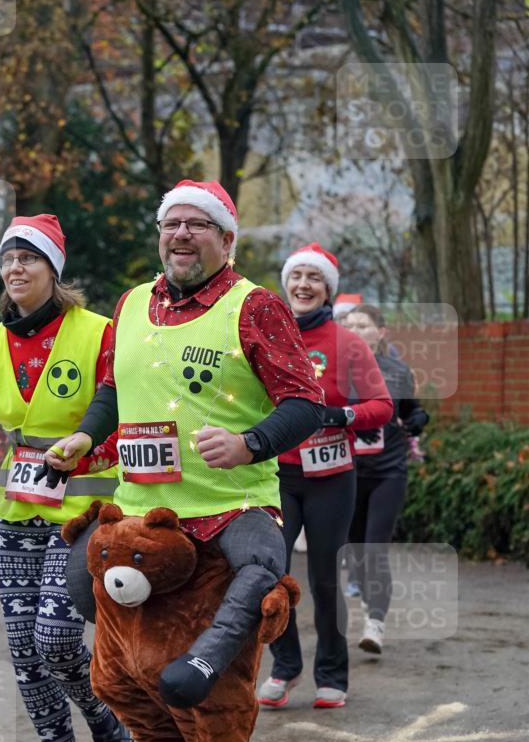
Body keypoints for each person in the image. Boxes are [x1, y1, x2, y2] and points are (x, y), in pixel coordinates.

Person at [44, 180, 326, 709]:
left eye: (197, 224)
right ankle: (150, 683)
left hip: (230, 504)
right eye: (171, 224)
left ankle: (203, 664)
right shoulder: (130, 303)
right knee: (81, 581)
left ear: (226, 239)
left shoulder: (256, 306)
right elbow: (113, 389)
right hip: (140, 507)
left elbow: (307, 403)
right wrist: (85, 435)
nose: (181, 234)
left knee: (262, 565)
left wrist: (249, 443)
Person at [0, 213, 135, 742]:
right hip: (18, 513)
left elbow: (125, 417)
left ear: (53, 269)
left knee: (55, 637)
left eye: (28, 257)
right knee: (25, 654)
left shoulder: (100, 333)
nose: (15, 268)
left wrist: (82, 453)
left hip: (86, 512)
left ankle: (107, 725)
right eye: (7, 259)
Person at [257, 244, 393, 710]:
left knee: (325, 579)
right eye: (297, 276)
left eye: (314, 278)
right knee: (269, 572)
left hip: (331, 477)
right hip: (276, 475)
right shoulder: (265, 336)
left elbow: (382, 406)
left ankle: (332, 673)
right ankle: (285, 665)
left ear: (328, 289)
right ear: (286, 284)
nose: (304, 285)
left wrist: (343, 414)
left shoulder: (348, 342)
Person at [345, 304, 430, 654]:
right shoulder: (331, 370)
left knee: (375, 548)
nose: (354, 331)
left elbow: (414, 410)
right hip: (346, 472)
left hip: (388, 471)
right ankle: (371, 601)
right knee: (356, 552)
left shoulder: (397, 371)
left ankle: (375, 623)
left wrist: (419, 419)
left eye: (362, 325)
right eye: (348, 325)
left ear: (381, 333)